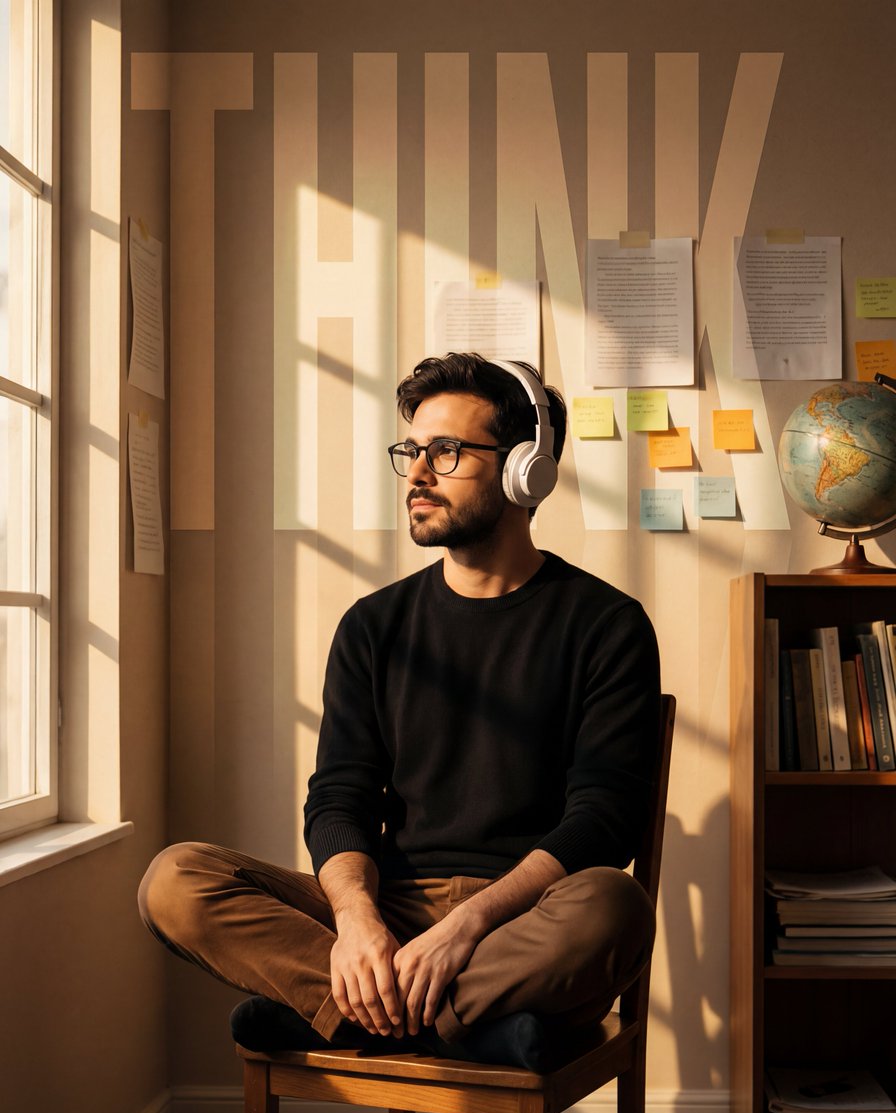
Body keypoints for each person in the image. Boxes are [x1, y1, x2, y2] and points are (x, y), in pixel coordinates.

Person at [138, 353, 661, 1071]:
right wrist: (357, 922)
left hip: (523, 917)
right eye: (411, 451)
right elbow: (339, 798)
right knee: (176, 880)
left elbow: (604, 818)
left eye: (445, 452)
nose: (416, 474)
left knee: (614, 906)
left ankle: (331, 1013)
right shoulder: (373, 626)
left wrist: (467, 925)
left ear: (525, 470)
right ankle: (455, 1022)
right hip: (388, 908)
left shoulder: (607, 624)